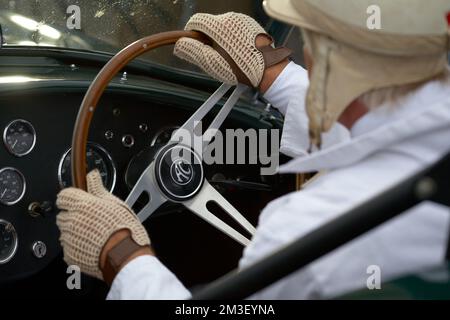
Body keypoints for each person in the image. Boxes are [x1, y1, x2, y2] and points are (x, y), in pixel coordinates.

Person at [56, 0, 450, 299]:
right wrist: (274, 74)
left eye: (309, 42)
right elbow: (390, 132)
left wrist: (122, 256)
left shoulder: (305, 230)